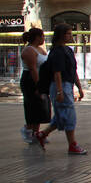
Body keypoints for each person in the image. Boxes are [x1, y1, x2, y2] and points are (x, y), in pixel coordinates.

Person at [33, 23, 86, 154]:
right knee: (69, 115)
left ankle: (42, 135)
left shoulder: (68, 50)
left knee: (62, 116)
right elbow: (57, 73)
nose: (70, 35)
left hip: (67, 84)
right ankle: (72, 145)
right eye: (68, 33)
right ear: (61, 35)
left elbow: (73, 71)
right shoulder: (56, 52)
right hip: (60, 85)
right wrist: (59, 91)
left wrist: (79, 87)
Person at [19, 28, 50, 144]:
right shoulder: (29, 50)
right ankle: (27, 130)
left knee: (41, 108)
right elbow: (33, 69)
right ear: (37, 37)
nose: (43, 39)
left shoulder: (41, 49)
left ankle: (36, 133)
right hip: (31, 81)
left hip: (41, 78)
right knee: (32, 106)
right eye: (42, 36)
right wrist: (38, 86)